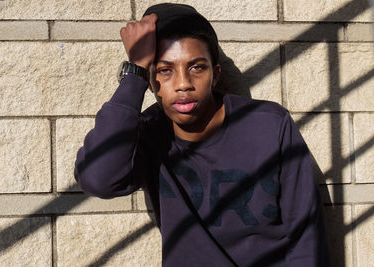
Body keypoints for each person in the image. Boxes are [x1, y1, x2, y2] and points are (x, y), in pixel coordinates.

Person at [74, 3, 331, 266]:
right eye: (164, 70)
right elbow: (98, 180)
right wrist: (135, 72)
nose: (183, 83)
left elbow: (306, 236)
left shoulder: (269, 126)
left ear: (215, 74)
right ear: (150, 82)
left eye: (197, 67)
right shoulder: (148, 133)